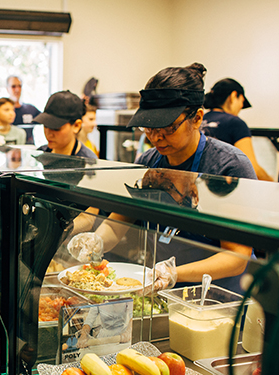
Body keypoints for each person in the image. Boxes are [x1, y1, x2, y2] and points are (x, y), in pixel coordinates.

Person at [70, 63, 257, 294]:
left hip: (218, 299)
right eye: (149, 127)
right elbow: (118, 224)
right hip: (163, 292)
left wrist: (175, 273)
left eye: (168, 128)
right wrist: (96, 241)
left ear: (197, 118)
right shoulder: (148, 162)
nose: (156, 137)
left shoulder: (228, 166)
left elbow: (237, 257)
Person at [202, 78, 274, 181]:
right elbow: (253, 169)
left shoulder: (200, 120)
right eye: (242, 101)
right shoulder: (235, 123)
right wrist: (273, 184)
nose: (241, 106)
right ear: (233, 96)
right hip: (223, 188)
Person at [34, 90, 98, 159]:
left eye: (56, 128)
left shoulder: (88, 162)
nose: (49, 134)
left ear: (76, 126)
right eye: (46, 126)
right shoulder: (40, 154)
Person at [7, 75, 41, 144]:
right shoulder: (1, 112)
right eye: (13, 86)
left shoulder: (31, 109)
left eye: (20, 86)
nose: (17, 89)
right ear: (7, 88)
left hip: (29, 149)